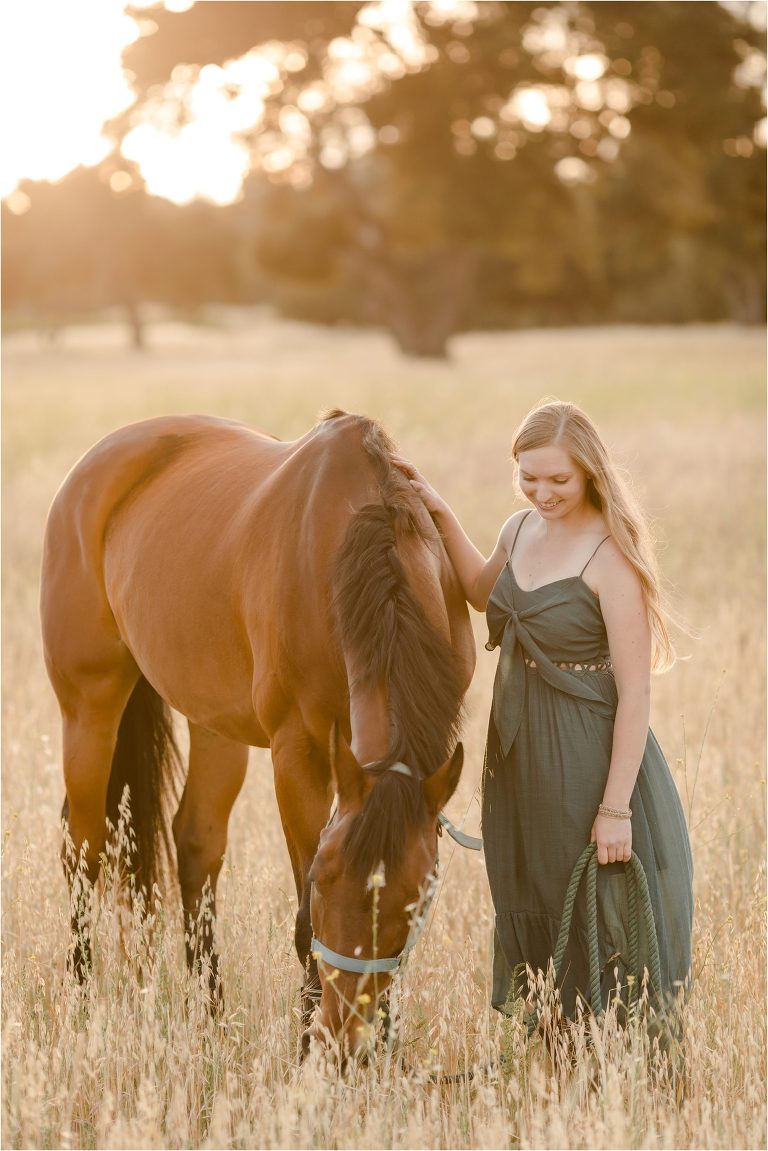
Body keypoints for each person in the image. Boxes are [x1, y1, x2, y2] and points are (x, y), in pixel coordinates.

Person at [394, 400, 693, 1025]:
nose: (542, 492)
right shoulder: (518, 529)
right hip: (518, 752)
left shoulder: (610, 559)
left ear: (589, 471)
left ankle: (610, 1060)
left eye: (558, 478)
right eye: (529, 477)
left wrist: (614, 810)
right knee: (530, 892)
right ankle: (556, 1045)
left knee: (590, 904)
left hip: (588, 753)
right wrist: (442, 512)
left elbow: (635, 695)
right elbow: (482, 592)